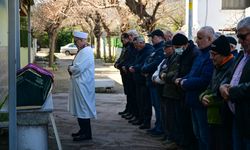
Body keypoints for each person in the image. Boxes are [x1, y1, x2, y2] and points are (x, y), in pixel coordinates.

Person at [177, 26, 215, 150]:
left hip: (201, 101)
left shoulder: (211, 55)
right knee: (198, 134)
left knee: (205, 136)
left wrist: (185, 82)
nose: (197, 41)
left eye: (199, 38)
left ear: (209, 39)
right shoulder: (200, 54)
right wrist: (183, 78)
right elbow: (193, 73)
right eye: (196, 38)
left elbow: (205, 80)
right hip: (193, 100)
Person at [220, 16, 250, 150]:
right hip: (237, 118)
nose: (240, 41)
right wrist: (222, 86)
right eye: (238, 37)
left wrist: (231, 92)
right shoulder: (242, 55)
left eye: (243, 37)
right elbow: (229, 76)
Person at [200, 35, 234, 150]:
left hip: (224, 118)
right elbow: (210, 87)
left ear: (223, 54)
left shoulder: (232, 68)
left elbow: (225, 94)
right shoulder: (217, 66)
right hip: (213, 117)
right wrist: (202, 97)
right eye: (210, 54)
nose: (211, 58)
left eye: (214, 55)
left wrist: (209, 99)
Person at [68, 31, 96, 141]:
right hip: (80, 84)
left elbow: (78, 68)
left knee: (83, 108)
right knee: (80, 108)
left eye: (76, 42)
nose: (75, 44)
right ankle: (82, 130)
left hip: (83, 85)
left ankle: (86, 133)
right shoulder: (83, 51)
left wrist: (70, 68)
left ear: (81, 40)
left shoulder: (86, 52)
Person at [142, 29, 165, 136]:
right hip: (151, 81)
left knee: (158, 106)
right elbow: (148, 61)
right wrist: (145, 68)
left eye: (153, 37)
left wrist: (146, 69)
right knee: (155, 106)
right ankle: (157, 126)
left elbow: (156, 63)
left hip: (156, 82)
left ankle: (160, 127)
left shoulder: (161, 49)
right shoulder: (155, 49)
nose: (152, 39)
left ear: (160, 37)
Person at [129, 36, 154, 129]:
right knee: (140, 100)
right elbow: (137, 61)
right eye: (134, 45)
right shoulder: (140, 51)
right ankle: (140, 118)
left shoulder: (148, 51)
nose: (136, 47)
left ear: (142, 43)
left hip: (143, 80)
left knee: (145, 102)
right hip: (138, 79)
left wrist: (135, 68)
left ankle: (146, 121)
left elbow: (144, 63)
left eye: (137, 45)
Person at [115, 33, 131, 116]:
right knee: (127, 92)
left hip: (127, 73)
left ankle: (130, 110)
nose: (123, 40)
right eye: (122, 39)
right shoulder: (124, 47)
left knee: (130, 93)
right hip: (123, 72)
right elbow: (121, 58)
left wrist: (120, 64)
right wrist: (117, 63)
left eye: (124, 39)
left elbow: (126, 59)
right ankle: (128, 109)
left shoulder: (129, 47)